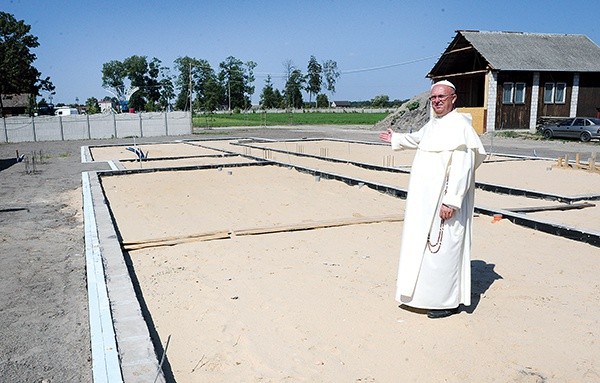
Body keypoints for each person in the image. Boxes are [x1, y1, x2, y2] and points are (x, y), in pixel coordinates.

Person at [379, 80, 486, 319]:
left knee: (444, 250)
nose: (437, 101)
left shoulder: (460, 128)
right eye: (434, 98)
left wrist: (452, 201)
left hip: (444, 202)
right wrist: (395, 137)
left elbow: (463, 169)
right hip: (425, 202)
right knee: (427, 250)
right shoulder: (434, 124)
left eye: (442, 97)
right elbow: (418, 139)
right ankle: (428, 297)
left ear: (453, 99)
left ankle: (447, 302)